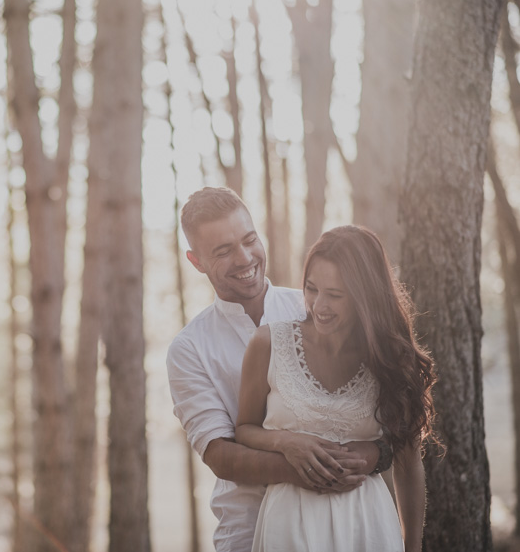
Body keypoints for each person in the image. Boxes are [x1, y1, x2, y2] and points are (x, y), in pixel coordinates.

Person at [166, 187, 387, 552]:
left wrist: (370, 456)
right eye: (223, 251)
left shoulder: (315, 304)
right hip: (247, 528)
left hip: (346, 520)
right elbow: (220, 454)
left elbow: (375, 407)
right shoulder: (189, 349)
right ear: (196, 261)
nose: (244, 257)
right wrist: (305, 462)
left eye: (249, 239)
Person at [235, 225, 436, 552]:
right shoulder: (268, 343)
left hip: (367, 528)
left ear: (365, 295)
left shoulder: (390, 359)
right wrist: (286, 441)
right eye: (312, 289)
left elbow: (409, 463)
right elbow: (244, 429)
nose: (319, 306)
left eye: (336, 294)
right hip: (288, 527)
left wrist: (412, 548)